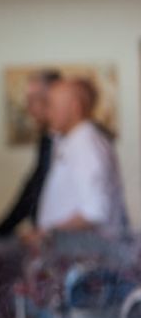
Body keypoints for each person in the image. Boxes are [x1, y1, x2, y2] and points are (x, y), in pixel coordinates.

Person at [32, 78, 128, 238]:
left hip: (87, 257)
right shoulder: (74, 140)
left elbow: (94, 212)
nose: (47, 113)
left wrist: (45, 234)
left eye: (52, 106)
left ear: (75, 107)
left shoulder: (86, 144)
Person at [0, 69, 60, 238]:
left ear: (51, 99)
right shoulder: (48, 137)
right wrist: (2, 230)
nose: (28, 108)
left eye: (32, 100)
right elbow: (34, 185)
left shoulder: (71, 141)